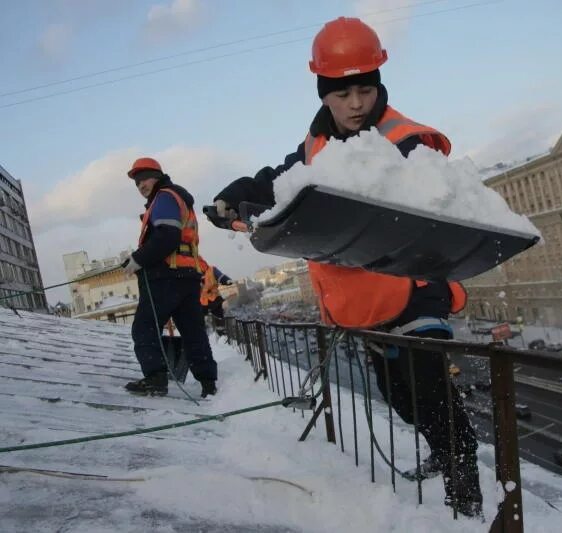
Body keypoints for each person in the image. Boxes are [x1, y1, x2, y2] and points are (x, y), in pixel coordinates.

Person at [211, 17, 482, 517]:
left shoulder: (405, 142)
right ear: (324, 95)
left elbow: (441, 209)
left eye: (365, 89)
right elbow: (278, 182)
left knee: (431, 393)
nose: (356, 103)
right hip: (367, 302)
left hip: (415, 290)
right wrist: (236, 196)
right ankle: (446, 455)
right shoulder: (315, 150)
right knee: (399, 397)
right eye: (343, 93)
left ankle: (466, 492)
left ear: (379, 84)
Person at [123, 157, 218, 398]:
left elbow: (167, 237)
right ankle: (208, 382)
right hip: (186, 276)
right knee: (192, 330)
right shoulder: (176, 198)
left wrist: (138, 260)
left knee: (144, 328)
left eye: (144, 178)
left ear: (158, 176)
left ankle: (155, 379)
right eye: (136, 182)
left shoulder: (163, 197)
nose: (141, 185)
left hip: (166, 276)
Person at [198, 257, 232, 333]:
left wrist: (228, 281)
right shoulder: (192, 274)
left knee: (223, 313)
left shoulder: (211, 270)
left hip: (215, 299)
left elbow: (221, 277)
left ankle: (223, 332)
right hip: (203, 303)